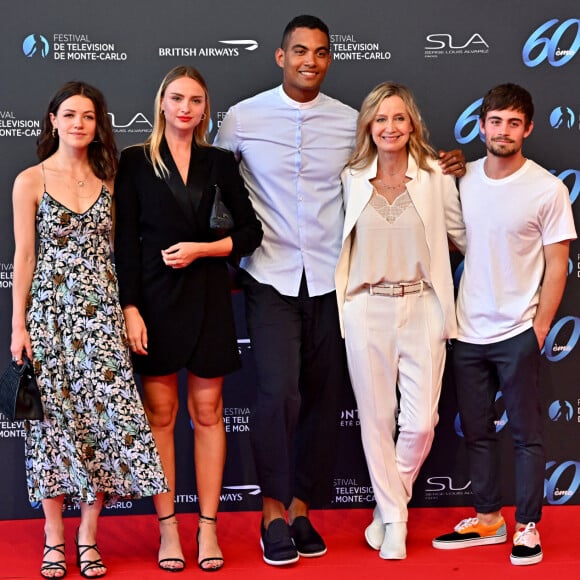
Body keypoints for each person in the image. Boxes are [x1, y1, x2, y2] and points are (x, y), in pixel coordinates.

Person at [215, 14, 466, 566]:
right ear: (281, 56)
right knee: (277, 393)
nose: (310, 60)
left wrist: (450, 164)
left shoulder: (354, 123)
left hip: (335, 282)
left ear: (330, 59)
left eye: (320, 52)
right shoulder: (240, 119)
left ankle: (302, 508)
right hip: (270, 274)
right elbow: (208, 180)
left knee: (324, 402)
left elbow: (404, 166)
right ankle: (272, 514)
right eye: (299, 51)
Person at [10, 81, 169, 579]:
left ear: (99, 125)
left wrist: (127, 309)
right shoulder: (29, 180)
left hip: (102, 320)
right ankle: (54, 535)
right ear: (53, 120)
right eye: (70, 114)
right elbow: (25, 257)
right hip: (50, 321)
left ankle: (88, 535)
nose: (79, 123)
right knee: (52, 430)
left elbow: (121, 254)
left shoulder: (111, 179)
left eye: (89, 116)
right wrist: (18, 326)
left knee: (103, 426)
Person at [113, 66, 263, 572]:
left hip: (208, 299)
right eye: (176, 98)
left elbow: (249, 234)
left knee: (208, 414)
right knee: (159, 417)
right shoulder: (134, 162)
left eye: (195, 100)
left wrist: (203, 249)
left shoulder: (220, 161)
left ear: (205, 109)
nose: (185, 108)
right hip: (153, 303)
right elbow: (123, 244)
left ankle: (208, 528)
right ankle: (168, 530)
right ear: (161, 103)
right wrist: (129, 307)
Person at [432, 83, 576, 566]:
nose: (504, 131)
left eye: (514, 123)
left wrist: (537, 329)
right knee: (476, 431)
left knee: (526, 435)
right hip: (466, 330)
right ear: (482, 125)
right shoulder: (462, 179)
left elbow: (559, 265)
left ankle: (528, 526)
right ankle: (489, 518)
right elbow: (450, 242)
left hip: (518, 331)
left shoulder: (547, 189)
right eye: (496, 121)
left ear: (528, 129)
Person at [335, 82, 466, 560]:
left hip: (423, 307)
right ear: (369, 125)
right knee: (376, 419)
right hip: (366, 306)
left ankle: (391, 503)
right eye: (381, 119)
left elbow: (462, 236)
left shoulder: (434, 176)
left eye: (398, 118)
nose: (390, 127)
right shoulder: (350, 177)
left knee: (422, 423)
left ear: (412, 124)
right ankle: (394, 522)